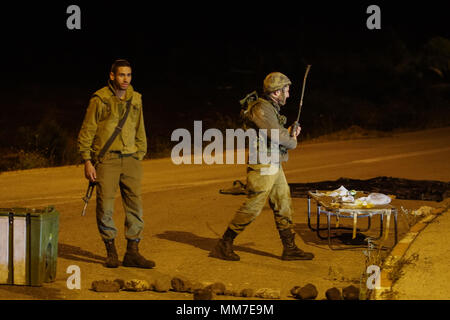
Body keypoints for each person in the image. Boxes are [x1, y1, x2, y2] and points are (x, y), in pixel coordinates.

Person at [210, 72, 314, 261]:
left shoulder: (269, 108)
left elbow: (277, 133)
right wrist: (292, 140)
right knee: (254, 205)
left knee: (283, 202)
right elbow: (279, 138)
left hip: (273, 162)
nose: (288, 94)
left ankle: (289, 248)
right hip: (263, 163)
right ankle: (224, 244)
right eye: (286, 90)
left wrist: (290, 131)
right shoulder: (261, 109)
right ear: (276, 92)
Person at [78, 59, 155, 268]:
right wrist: (87, 160)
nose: (126, 79)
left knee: (135, 206)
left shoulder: (136, 99)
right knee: (105, 206)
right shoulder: (100, 99)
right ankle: (111, 251)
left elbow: (140, 128)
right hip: (107, 159)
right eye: (121, 75)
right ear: (112, 76)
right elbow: (88, 130)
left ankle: (132, 252)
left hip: (130, 158)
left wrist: (139, 153)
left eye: (129, 75)